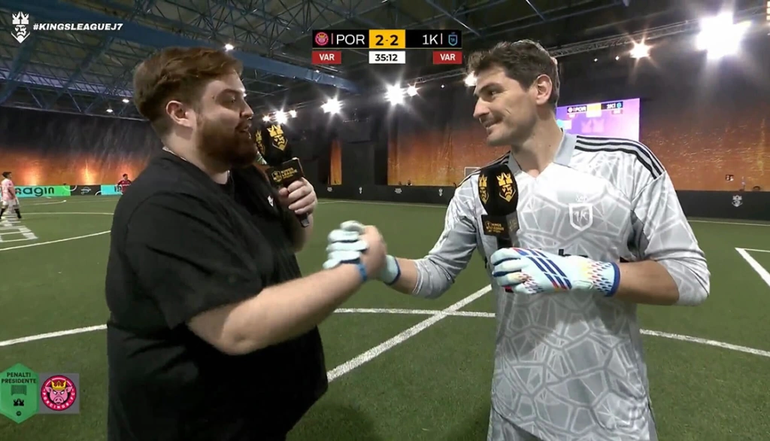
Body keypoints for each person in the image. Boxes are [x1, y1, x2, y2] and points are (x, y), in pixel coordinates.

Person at [327, 40, 710, 441]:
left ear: (540, 89)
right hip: (514, 412)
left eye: (492, 92)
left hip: (608, 419)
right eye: (477, 96)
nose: (478, 110)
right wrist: (383, 265)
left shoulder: (626, 165)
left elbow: (689, 276)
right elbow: (436, 274)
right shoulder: (476, 190)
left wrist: (582, 272)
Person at [104, 46, 387, 441]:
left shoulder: (247, 176)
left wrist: (301, 212)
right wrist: (357, 267)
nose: (248, 110)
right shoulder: (163, 202)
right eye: (229, 100)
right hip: (195, 428)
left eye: (245, 97)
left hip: (252, 416)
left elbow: (291, 244)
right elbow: (236, 328)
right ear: (181, 113)